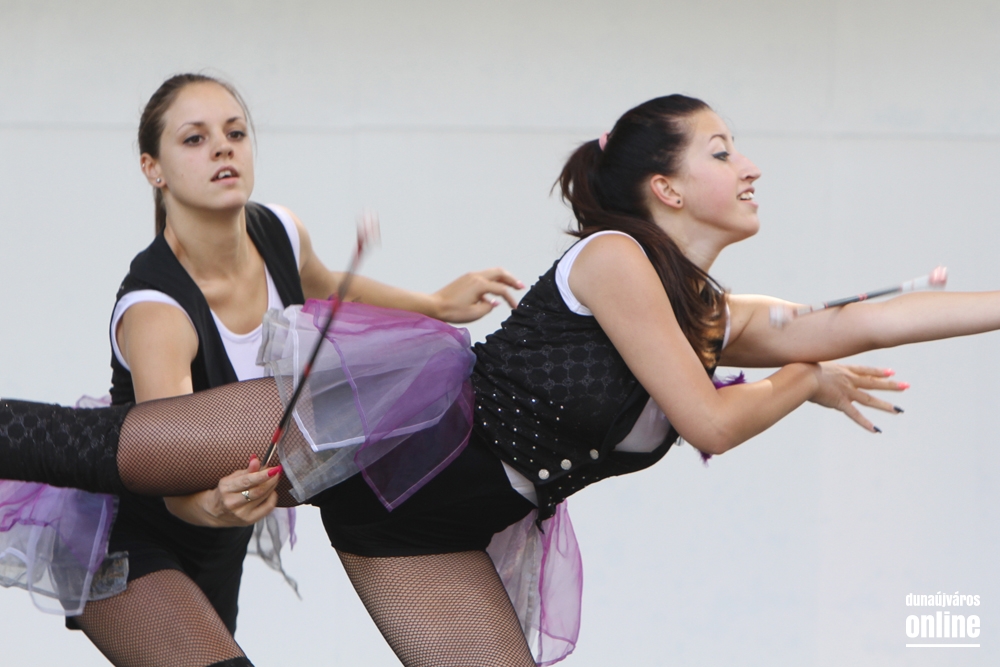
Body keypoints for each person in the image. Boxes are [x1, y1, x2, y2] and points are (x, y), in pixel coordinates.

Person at [2, 93, 996, 666]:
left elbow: (869, 317)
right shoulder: (615, 260)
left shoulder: (707, 313)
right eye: (724, 151)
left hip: (422, 532)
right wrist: (805, 377)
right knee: (81, 448)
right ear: (665, 186)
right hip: (385, 430)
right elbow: (709, 421)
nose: (751, 169)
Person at [2, 73, 522, 667]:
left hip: (218, 546)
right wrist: (212, 506)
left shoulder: (278, 230)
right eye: (194, 139)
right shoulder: (157, 312)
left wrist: (435, 304)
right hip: (126, 538)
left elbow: (327, 287)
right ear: (153, 168)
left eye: (235, 133)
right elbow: (167, 478)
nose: (222, 149)